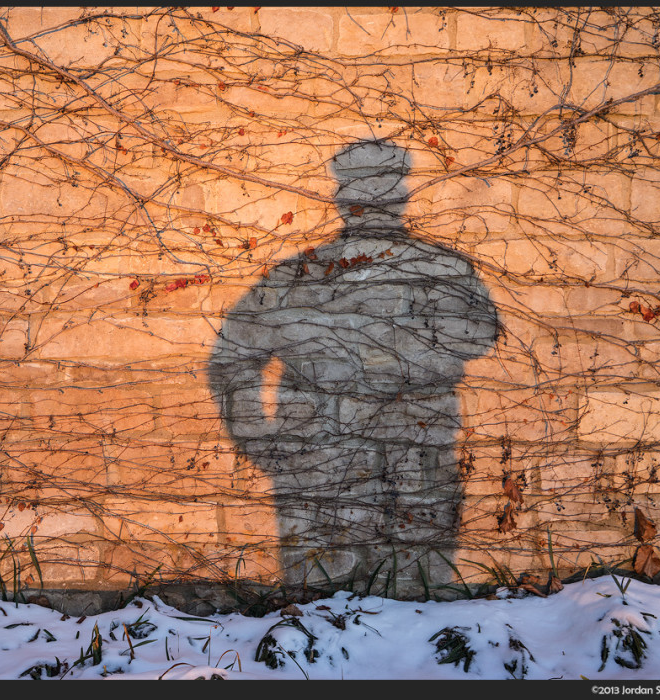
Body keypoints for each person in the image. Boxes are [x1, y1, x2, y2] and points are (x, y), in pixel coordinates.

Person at [209, 139, 499, 590]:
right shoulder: (295, 278)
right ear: (343, 198)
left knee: (415, 585)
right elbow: (231, 360)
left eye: (384, 190)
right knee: (326, 594)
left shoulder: (444, 271)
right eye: (366, 192)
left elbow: (479, 335)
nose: (375, 203)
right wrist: (261, 443)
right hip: (323, 456)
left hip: (413, 452)